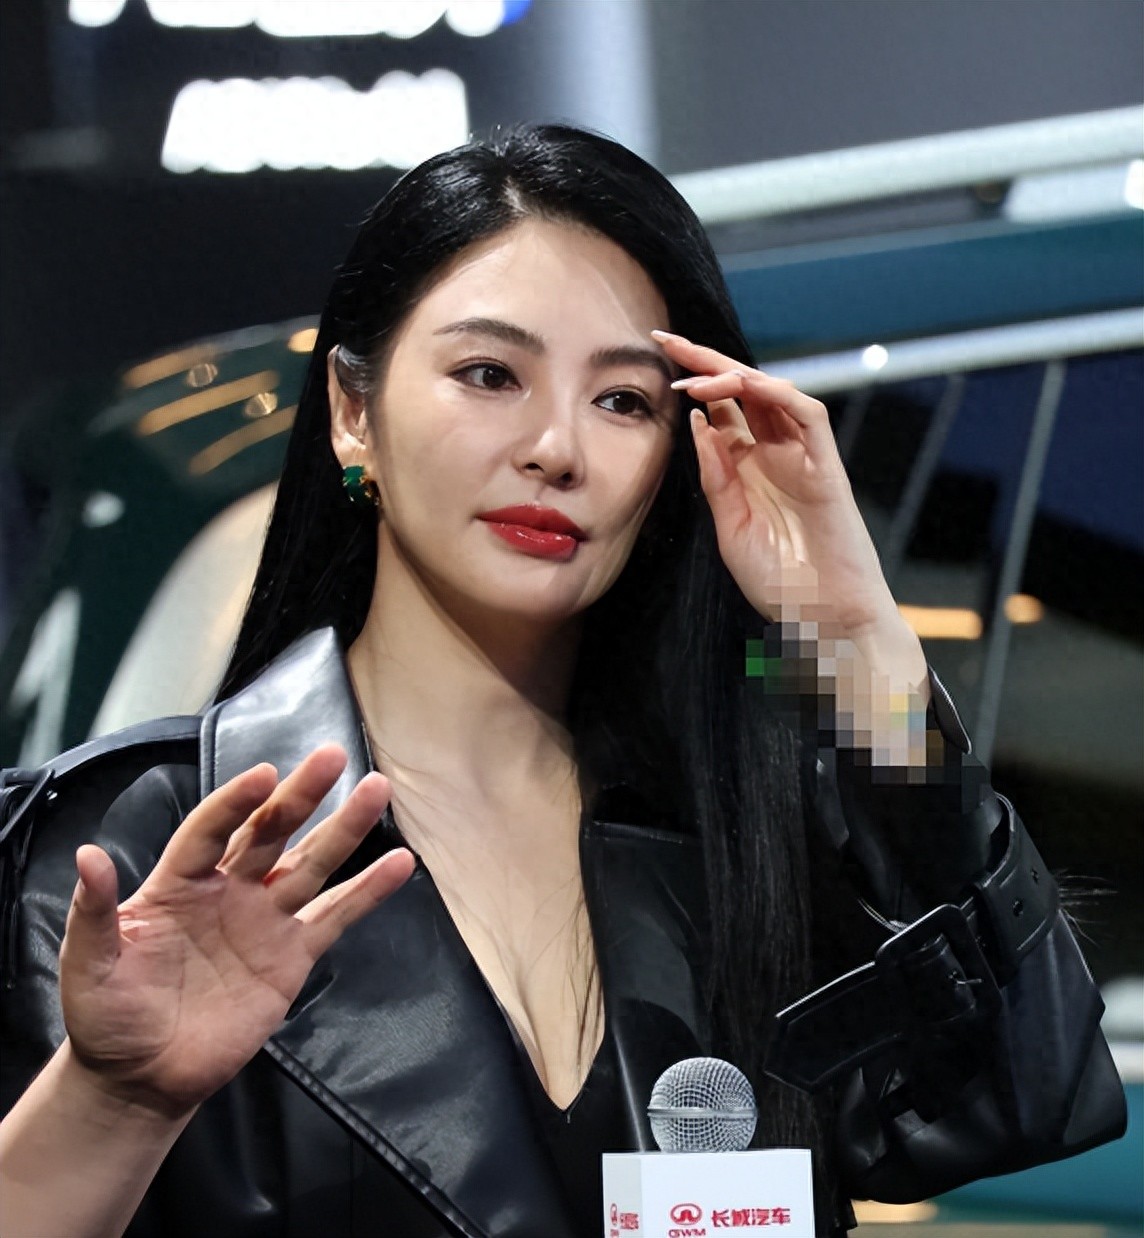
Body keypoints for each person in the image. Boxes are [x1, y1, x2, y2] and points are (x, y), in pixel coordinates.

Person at [0, 124, 1125, 1238]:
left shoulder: (736, 834)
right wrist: (115, 1100)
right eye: (489, 374)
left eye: (624, 399)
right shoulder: (130, 845)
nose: (557, 447)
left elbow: (1030, 1098)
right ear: (352, 411)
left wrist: (852, 637)